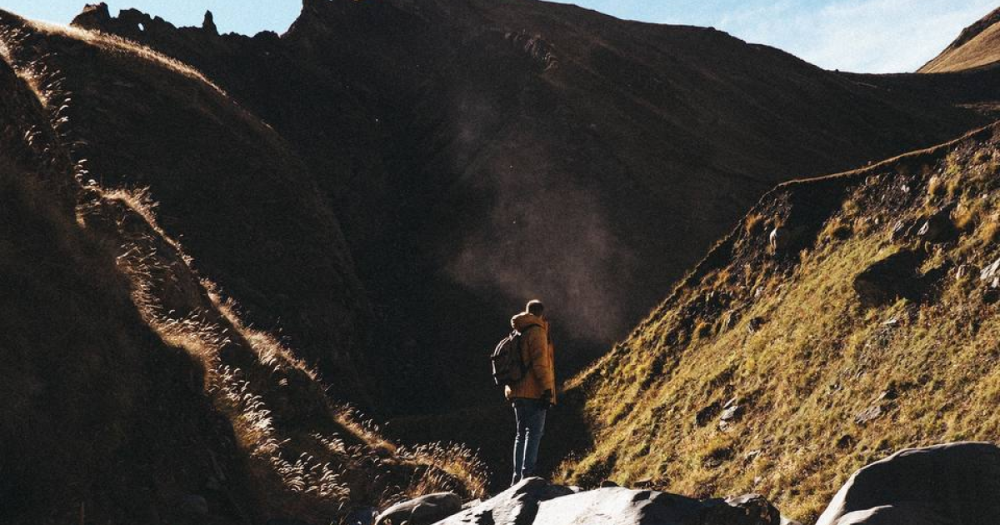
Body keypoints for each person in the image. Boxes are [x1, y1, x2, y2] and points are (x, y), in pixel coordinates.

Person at [506, 299, 556, 485]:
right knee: (534, 434)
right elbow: (540, 365)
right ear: (541, 314)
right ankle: (527, 477)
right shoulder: (537, 332)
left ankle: (516, 477)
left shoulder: (518, 330)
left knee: (520, 434)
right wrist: (547, 390)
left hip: (517, 390)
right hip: (534, 391)